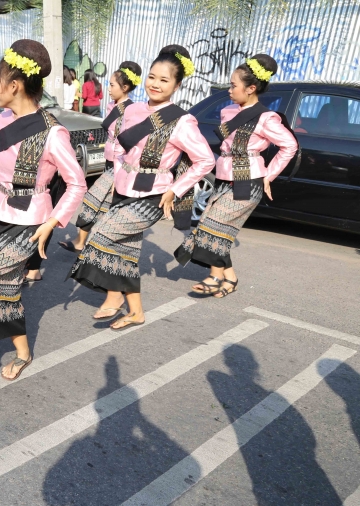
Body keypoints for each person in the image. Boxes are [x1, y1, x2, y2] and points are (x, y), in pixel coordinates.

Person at [0, 40, 86, 381]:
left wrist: (53, 222)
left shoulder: (53, 133)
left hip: (30, 223)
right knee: (0, 286)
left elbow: (77, 184)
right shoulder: (0, 121)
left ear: (15, 85)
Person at [68, 45, 215, 329]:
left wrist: (175, 190)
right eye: (152, 77)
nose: (155, 84)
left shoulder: (182, 121)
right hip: (123, 187)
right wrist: (118, 172)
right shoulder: (133, 110)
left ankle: (113, 295)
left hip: (154, 194)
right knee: (125, 251)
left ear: (177, 85)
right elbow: (119, 145)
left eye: (164, 80)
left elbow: (205, 160)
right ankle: (136, 311)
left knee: (102, 234)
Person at [174, 54, 298, 298]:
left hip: (248, 181)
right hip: (223, 178)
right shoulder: (228, 111)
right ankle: (230, 278)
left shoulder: (266, 118)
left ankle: (215, 277)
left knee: (212, 225)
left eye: (233, 85)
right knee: (218, 228)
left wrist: (269, 176)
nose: (229, 90)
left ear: (251, 88)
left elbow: (290, 145)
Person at [59, 61, 143, 253]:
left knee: (94, 200)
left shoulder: (130, 110)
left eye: (112, 85)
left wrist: (119, 174)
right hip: (108, 162)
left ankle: (88, 243)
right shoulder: (113, 106)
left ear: (125, 87)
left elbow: (127, 145)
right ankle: (85, 242)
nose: (108, 89)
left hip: (119, 165)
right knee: (99, 203)